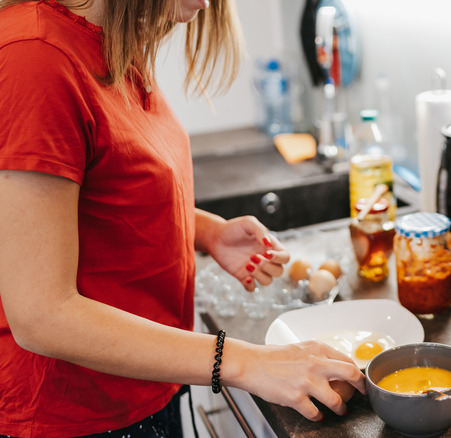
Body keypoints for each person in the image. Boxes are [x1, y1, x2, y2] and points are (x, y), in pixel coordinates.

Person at [0, 0, 366, 437]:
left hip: (147, 385)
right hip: (74, 416)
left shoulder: (112, 42)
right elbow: (42, 315)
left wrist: (206, 231)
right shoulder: (35, 57)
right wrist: (249, 362)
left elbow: (101, 194)